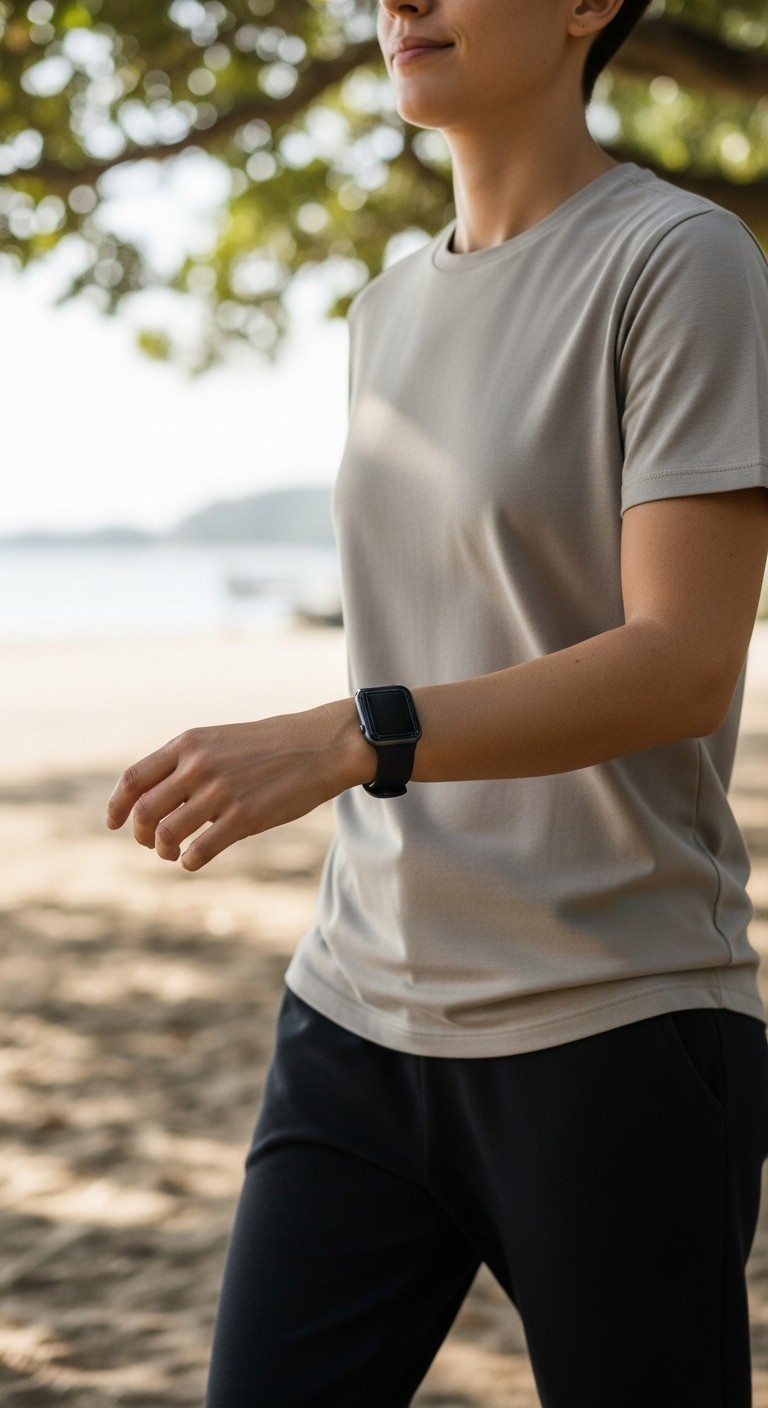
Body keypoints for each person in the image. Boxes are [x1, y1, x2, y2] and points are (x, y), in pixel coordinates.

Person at [106, 0, 768, 1403]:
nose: (400, 0)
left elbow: (686, 658)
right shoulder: (382, 310)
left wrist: (352, 736)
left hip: (612, 1029)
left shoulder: (683, 260)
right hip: (351, 1014)